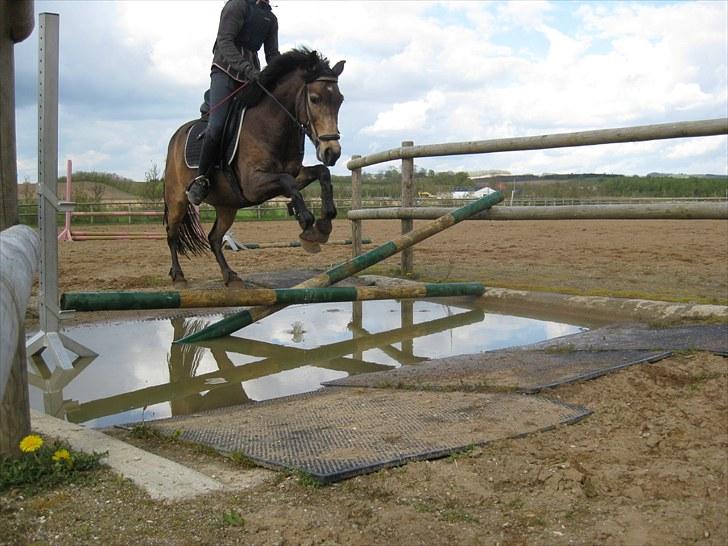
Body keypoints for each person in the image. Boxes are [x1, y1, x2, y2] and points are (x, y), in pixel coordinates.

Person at [186, 0, 280, 206]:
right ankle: (201, 179)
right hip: (225, 71)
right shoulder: (237, 5)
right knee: (217, 125)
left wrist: (281, 74)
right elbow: (224, 41)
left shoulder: (270, 18)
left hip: (251, 75)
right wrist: (246, 68)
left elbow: (272, 54)